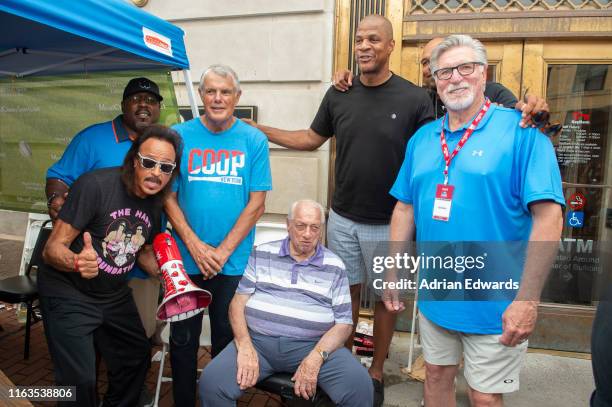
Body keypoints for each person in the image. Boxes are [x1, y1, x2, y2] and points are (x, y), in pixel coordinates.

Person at [244, 14, 433, 406]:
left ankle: (377, 371)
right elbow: (310, 139)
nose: (364, 46)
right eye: (360, 39)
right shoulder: (339, 93)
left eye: (374, 40)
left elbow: (431, 157)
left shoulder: (415, 99)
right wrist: (260, 131)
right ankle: (342, 366)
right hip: (343, 217)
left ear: (391, 46)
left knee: (386, 301)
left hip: (388, 222)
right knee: (342, 298)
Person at [387, 34, 564, 407]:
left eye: (466, 67)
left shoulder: (523, 133)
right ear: (434, 80)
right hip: (437, 294)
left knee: (484, 397)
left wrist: (528, 300)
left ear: (484, 74)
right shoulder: (422, 140)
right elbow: (404, 208)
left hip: (497, 300)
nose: (455, 78)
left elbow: (549, 218)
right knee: (435, 377)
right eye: (444, 71)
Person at [39, 125, 182, 407]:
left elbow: (140, 249)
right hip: (70, 292)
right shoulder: (94, 185)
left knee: (137, 356)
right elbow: (52, 249)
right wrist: (77, 261)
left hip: (112, 294)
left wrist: (168, 274)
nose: (156, 173)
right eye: (149, 162)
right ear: (133, 160)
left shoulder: (155, 202)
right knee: (79, 381)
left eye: (165, 167)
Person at [164, 64, 272, 407]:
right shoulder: (178, 135)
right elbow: (167, 196)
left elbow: (257, 203)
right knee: (183, 339)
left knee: (227, 340)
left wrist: (221, 253)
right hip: (185, 261)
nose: (218, 98)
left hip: (232, 262)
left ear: (237, 97)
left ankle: (219, 401)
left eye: (225, 91)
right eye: (210, 91)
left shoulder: (253, 140)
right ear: (200, 95)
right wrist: (195, 247)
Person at [199, 199, 373, 407]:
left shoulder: (334, 265)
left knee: (360, 387)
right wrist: (244, 345)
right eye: (301, 226)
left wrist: (316, 357)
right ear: (288, 225)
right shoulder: (262, 253)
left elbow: (344, 324)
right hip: (259, 344)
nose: (307, 234)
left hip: (313, 346)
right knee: (212, 383)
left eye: (314, 227)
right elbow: (237, 304)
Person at [46, 77, 164, 343]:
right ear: (123, 105)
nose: (144, 105)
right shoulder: (92, 138)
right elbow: (59, 177)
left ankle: (131, 385)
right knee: (93, 338)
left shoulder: (160, 145)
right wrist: (55, 199)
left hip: (140, 259)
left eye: (151, 100)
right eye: (136, 99)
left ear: (158, 108)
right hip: (95, 263)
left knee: (138, 335)